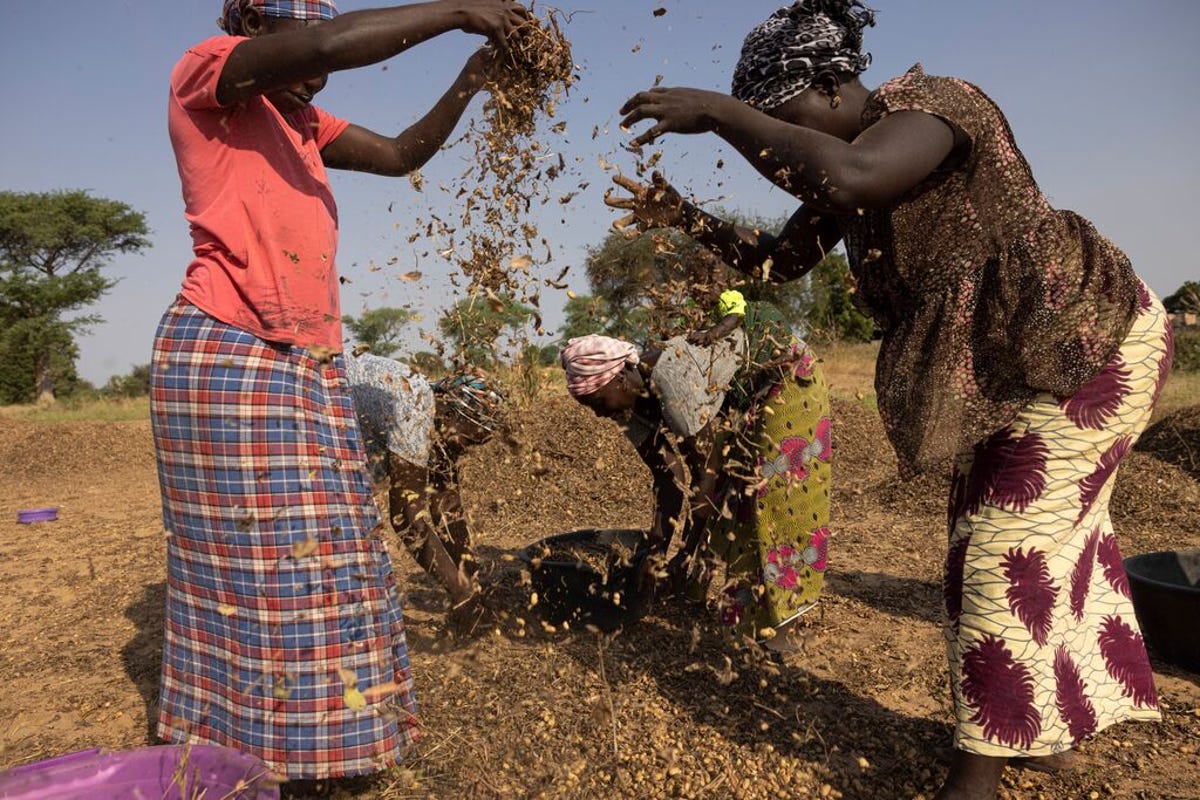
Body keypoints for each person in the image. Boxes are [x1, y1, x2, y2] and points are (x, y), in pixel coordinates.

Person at [606, 1, 1173, 797]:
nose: (776, 140)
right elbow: (780, 264)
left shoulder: (934, 108)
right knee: (1031, 544)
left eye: (782, 116)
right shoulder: (850, 167)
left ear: (833, 85)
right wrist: (684, 218)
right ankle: (1042, 732)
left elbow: (850, 174)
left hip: (1085, 346)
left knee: (1002, 551)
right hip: (1017, 368)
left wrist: (721, 113)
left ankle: (974, 779)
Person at [149, 0, 530, 782]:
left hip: (303, 360)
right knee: (264, 575)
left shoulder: (302, 122)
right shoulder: (209, 74)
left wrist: (471, 79)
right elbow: (324, 42)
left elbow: (398, 155)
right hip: (231, 351)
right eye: (293, 37)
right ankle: (251, 754)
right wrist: (461, 10)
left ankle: (314, 749)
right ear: (252, 28)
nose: (313, 62)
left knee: (322, 565)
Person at [559, 287, 832, 653]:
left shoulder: (670, 381)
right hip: (740, 403)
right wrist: (652, 557)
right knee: (734, 497)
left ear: (619, 378)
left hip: (784, 378)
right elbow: (669, 480)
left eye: (597, 401)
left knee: (773, 496)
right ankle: (729, 607)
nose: (598, 413)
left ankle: (786, 627)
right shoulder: (628, 410)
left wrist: (684, 555)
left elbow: (705, 475)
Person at [344, 351, 504, 636]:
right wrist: (462, 596)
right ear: (450, 413)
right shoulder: (415, 410)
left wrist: (471, 576)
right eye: (467, 439)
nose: (464, 449)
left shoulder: (442, 419)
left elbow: (446, 503)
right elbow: (406, 518)